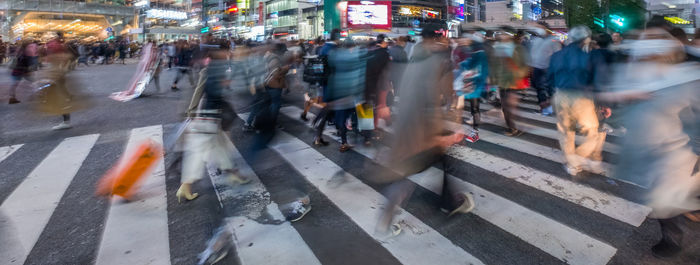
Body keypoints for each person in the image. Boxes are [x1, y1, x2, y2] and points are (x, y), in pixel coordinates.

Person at [600, 27, 699, 258]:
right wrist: (618, 99)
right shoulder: (631, 73)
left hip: (674, 151)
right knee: (663, 196)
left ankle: (672, 240)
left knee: (664, 198)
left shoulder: (686, 77)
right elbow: (616, 108)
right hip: (643, 150)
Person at [376, 24, 474, 236]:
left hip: (406, 124)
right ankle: (447, 203)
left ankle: (388, 217)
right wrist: (449, 130)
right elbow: (445, 95)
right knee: (416, 167)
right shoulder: (439, 61)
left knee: (410, 169)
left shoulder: (413, 58)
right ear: (437, 37)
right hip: (423, 129)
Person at [547, 25, 603, 176]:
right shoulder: (589, 57)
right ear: (585, 39)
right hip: (582, 97)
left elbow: (549, 79)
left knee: (566, 132)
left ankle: (572, 164)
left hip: (560, 95)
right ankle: (578, 157)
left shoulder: (556, 56)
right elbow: (595, 81)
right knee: (593, 132)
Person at [491, 27, 530, 136]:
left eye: (504, 34)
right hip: (502, 82)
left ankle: (513, 128)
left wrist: (517, 75)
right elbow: (495, 65)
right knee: (505, 107)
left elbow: (525, 65)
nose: (501, 36)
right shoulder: (498, 48)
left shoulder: (518, 49)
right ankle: (513, 126)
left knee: (509, 107)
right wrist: (494, 79)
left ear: (510, 35)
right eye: (501, 34)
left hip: (513, 82)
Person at [528, 22, 562, 116]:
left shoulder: (554, 40)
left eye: (539, 27)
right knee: (539, 89)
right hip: (536, 68)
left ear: (546, 28)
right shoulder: (536, 40)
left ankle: (553, 109)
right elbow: (532, 54)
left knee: (550, 90)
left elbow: (558, 55)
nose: (537, 29)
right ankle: (544, 109)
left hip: (547, 68)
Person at [8, 40, 33, 104]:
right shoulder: (25, 52)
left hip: (17, 70)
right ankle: (12, 98)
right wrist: (27, 70)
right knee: (31, 82)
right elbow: (24, 62)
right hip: (21, 70)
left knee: (14, 84)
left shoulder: (19, 51)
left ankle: (12, 98)